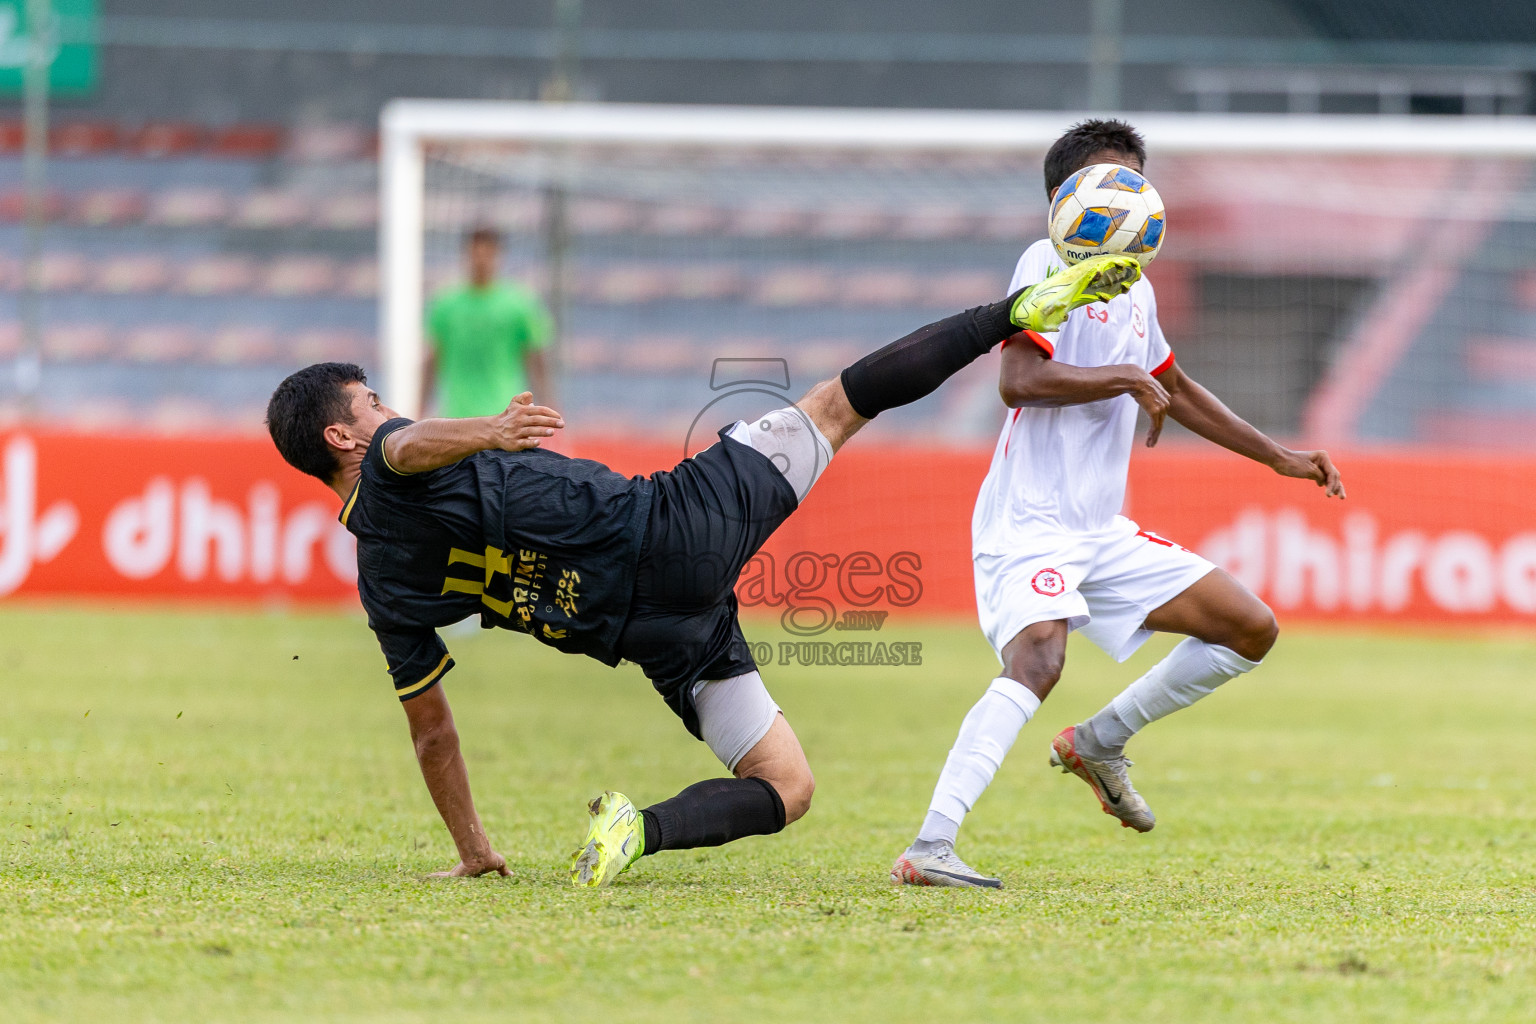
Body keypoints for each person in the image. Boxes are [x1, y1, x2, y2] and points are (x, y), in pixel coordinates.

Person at [263, 254, 1141, 888]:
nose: (389, 411)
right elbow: (407, 447)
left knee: (786, 787)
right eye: (370, 404)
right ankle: (1018, 310)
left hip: (652, 633)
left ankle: (635, 833)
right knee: (842, 402)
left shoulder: (379, 585)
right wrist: (490, 429)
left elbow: (433, 733)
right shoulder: (391, 459)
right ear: (343, 439)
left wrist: (472, 846)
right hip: (669, 529)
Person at [890, 119, 1346, 890]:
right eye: (1107, 182)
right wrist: (1127, 383)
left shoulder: (1134, 285)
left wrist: (1279, 457)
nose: (1125, 200)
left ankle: (1099, 742)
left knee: (1250, 628)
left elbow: (1179, 386)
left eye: (1135, 181)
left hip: (1098, 530)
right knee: (1039, 658)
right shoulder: (1045, 263)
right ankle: (932, 845)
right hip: (1028, 523)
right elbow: (1020, 383)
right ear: (1067, 201)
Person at [424, 226, 553, 418]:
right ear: (466, 255)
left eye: (487, 254)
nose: (481, 261)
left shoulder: (520, 305)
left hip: (505, 415)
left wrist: (549, 404)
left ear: (498, 255)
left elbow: (536, 359)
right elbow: (432, 361)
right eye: (476, 254)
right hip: (458, 417)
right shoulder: (445, 305)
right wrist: (420, 407)